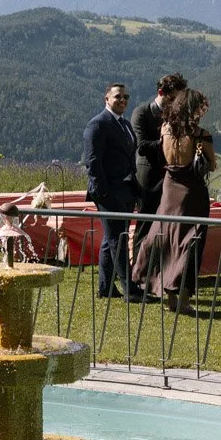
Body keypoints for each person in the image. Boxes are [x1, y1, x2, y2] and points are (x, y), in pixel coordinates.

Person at [132, 87, 215, 306]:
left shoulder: (165, 129)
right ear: (194, 109)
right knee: (190, 240)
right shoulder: (201, 134)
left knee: (165, 236)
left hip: (169, 186)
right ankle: (184, 296)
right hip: (192, 190)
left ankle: (166, 293)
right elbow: (212, 164)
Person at [83, 83, 139, 299]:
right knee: (118, 239)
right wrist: (102, 192)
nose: (123, 100)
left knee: (111, 239)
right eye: (118, 96)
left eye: (126, 96)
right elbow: (92, 161)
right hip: (108, 192)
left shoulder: (125, 124)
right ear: (106, 99)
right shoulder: (97, 124)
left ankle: (105, 287)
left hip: (126, 189)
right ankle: (130, 289)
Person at [129, 73, 187, 256]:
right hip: (149, 178)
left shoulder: (177, 115)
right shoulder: (142, 112)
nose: (175, 103)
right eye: (172, 98)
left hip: (172, 177)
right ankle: (138, 265)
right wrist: (167, 142)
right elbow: (142, 146)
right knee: (145, 225)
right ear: (161, 92)